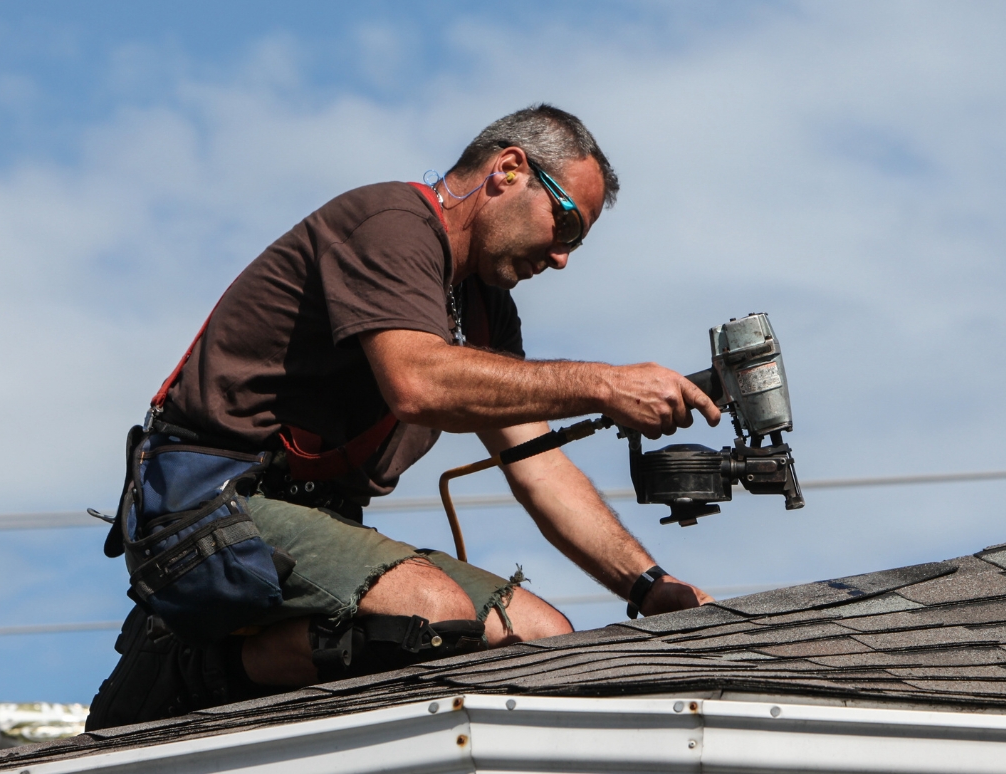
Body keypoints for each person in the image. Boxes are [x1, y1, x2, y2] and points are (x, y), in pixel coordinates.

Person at [88, 105, 719, 727]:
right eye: (567, 226)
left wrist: (648, 586)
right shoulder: (392, 225)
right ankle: (185, 667)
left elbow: (539, 466)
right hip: (208, 509)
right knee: (428, 613)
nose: (562, 258)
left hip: (307, 520)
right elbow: (416, 382)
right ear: (508, 170)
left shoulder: (486, 307)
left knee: (536, 638)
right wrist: (607, 385)